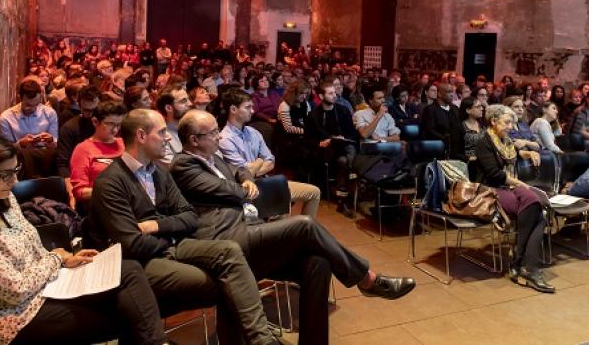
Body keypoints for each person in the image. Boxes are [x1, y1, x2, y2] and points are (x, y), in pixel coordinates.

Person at [171, 110, 417, 345]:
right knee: (304, 224)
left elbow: (240, 170)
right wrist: (245, 187)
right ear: (194, 140)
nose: (219, 136)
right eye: (213, 132)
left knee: (318, 263)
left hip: (248, 229)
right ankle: (367, 280)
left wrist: (246, 178)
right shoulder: (184, 165)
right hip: (226, 239)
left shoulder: (212, 157)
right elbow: (229, 191)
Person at [0, 132, 169, 345]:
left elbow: (32, 244)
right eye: (4, 175)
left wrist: (65, 259)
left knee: (128, 270)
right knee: (128, 313)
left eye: (15, 172)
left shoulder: (5, 201)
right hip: (14, 320)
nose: (13, 182)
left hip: (46, 290)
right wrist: (55, 260)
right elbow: (15, 290)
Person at [88, 110, 281, 345]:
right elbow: (131, 243)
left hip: (171, 245)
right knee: (219, 282)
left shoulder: (159, 171)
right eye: (161, 133)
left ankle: (262, 341)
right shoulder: (111, 181)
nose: (168, 138)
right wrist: (171, 236)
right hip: (137, 262)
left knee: (229, 251)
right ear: (141, 136)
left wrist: (158, 225)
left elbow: (190, 217)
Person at [471, 105, 554, 293]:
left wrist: (528, 152)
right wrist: (519, 183)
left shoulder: (506, 141)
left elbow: (514, 156)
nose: (511, 127)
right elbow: (494, 173)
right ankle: (528, 268)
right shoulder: (484, 142)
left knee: (537, 204)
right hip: (489, 189)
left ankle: (519, 262)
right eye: (507, 122)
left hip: (508, 186)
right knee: (535, 210)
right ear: (493, 121)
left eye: (512, 123)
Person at [218, 89, 321, 218]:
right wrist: (261, 160)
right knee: (282, 203)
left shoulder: (253, 132)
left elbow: (271, 160)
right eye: (248, 107)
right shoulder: (225, 139)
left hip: (266, 181)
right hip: (248, 189)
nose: (253, 111)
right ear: (233, 109)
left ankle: (305, 234)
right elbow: (244, 172)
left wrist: (256, 166)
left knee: (314, 192)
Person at [305, 81, 360, 218]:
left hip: (345, 146)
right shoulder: (313, 115)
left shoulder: (343, 110)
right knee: (345, 159)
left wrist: (343, 137)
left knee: (345, 157)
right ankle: (351, 178)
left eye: (335, 93)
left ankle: (343, 200)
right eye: (330, 93)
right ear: (321, 96)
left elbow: (352, 133)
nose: (334, 96)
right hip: (327, 150)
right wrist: (320, 143)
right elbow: (308, 139)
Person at [70, 100, 126, 203]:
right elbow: (79, 191)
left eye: (118, 125)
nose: (115, 130)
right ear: (95, 122)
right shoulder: (83, 149)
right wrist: (113, 191)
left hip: (125, 201)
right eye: (110, 124)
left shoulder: (123, 143)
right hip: (100, 204)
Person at [0, 77, 58, 149]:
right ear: (19, 98)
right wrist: (21, 144)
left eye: (36, 105)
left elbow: (55, 145)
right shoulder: (7, 118)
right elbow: (6, 150)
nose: (33, 109)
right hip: (20, 156)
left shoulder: (49, 113)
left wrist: (50, 140)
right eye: (28, 105)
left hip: (44, 155)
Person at [155, 86, 192, 164]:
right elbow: (175, 168)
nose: (190, 104)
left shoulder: (194, 127)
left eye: (188, 99)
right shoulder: (163, 138)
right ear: (168, 108)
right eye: (183, 101)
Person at [420, 83, 460, 152]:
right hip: (439, 145)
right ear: (439, 94)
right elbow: (429, 131)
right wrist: (445, 138)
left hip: (456, 145)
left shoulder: (455, 109)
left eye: (452, 92)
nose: (452, 94)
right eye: (448, 92)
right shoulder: (430, 110)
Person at [450, 97, 485, 163]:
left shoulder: (483, 125)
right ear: (468, 110)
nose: (481, 109)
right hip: (468, 163)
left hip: (484, 160)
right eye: (478, 107)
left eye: (481, 106)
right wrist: (471, 158)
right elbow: (454, 154)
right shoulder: (458, 127)